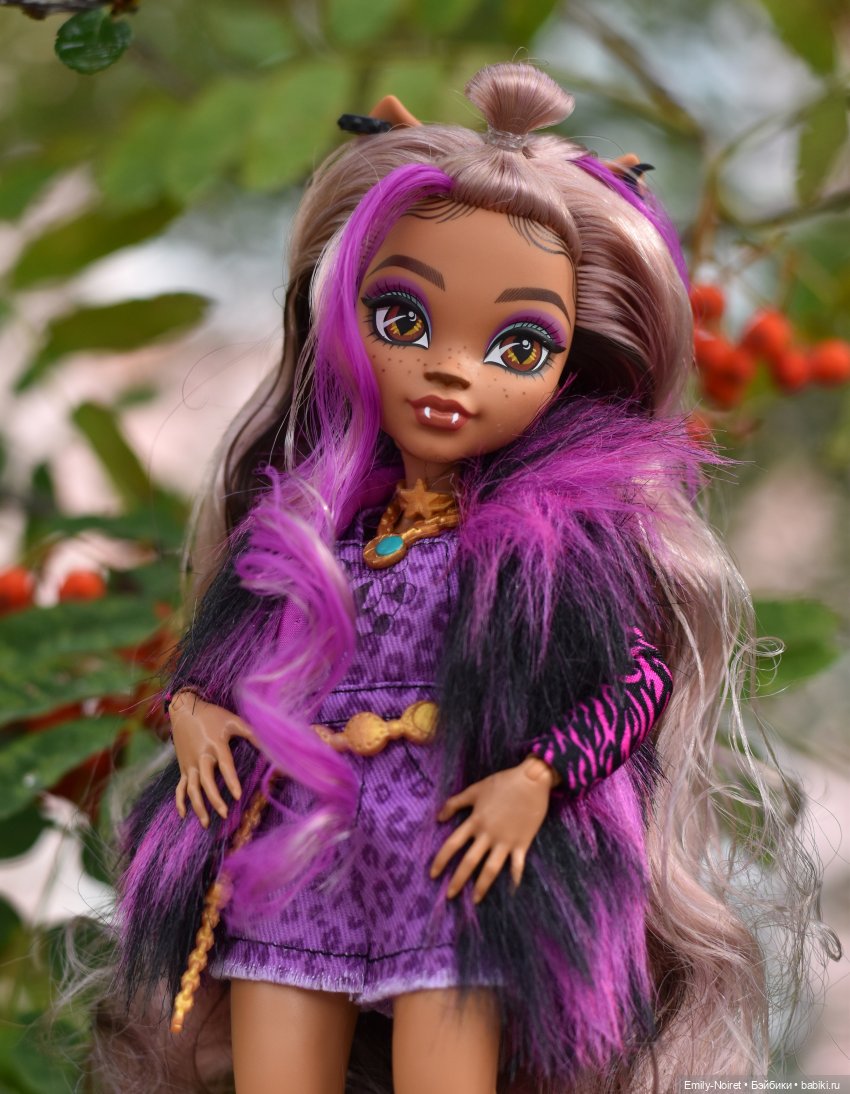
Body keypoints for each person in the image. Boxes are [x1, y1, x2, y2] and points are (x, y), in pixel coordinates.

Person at [96, 63, 826, 1094]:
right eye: (403, 318)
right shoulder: (313, 530)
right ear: (346, 322)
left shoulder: (549, 550)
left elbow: (635, 680)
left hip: (449, 856)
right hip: (296, 843)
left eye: (518, 344)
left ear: (573, 366)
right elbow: (231, 658)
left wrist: (538, 779)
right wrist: (192, 712)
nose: (450, 367)